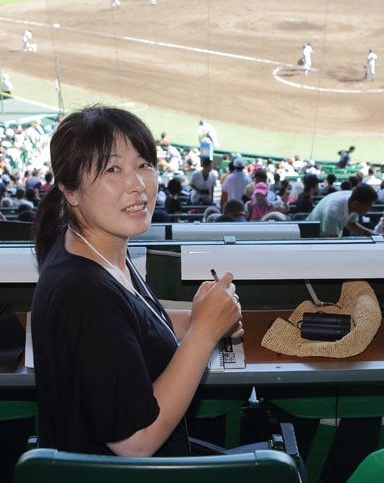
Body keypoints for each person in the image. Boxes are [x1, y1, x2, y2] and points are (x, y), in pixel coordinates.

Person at [30, 106, 243, 457]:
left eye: (144, 165)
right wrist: (203, 334)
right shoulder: (85, 294)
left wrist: (202, 318)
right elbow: (136, 442)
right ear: (70, 190)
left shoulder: (99, 248)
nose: (138, 184)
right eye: (113, 169)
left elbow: (133, 326)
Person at [306, 183, 378, 237]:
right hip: (310, 239)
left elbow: (351, 224)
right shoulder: (333, 211)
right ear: (355, 204)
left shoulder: (354, 199)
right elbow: (331, 241)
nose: (370, 208)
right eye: (368, 206)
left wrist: (372, 234)